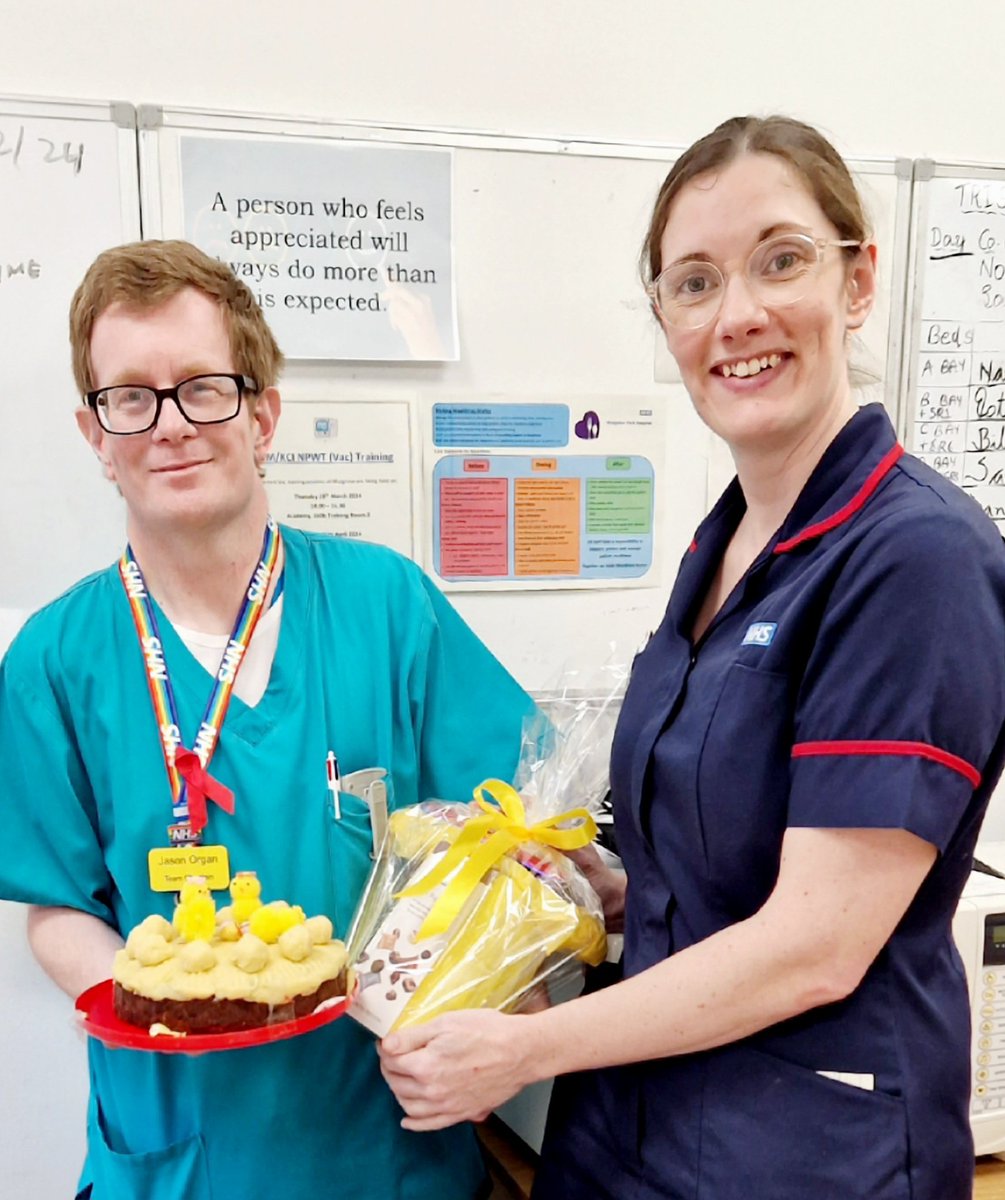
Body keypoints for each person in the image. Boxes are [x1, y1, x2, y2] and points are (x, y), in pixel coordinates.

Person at [378, 115, 1005, 1199]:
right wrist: (580, 891)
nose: (739, 315)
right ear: (665, 318)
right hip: (636, 1124)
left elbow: (817, 943)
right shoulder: (722, 547)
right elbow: (713, 859)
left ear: (858, 284)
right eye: (695, 282)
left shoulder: (918, 560)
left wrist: (523, 1051)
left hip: (805, 1151)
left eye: (782, 259)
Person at [0, 239, 535, 1200]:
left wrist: (498, 994)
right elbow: (54, 904)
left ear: (263, 414)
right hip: (181, 1150)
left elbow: (505, 834)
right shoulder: (53, 658)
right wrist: (159, 997)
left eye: (204, 387)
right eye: (132, 395)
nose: (170, 425)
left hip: (387, 1143)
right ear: (95, 432)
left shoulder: (389, 608)